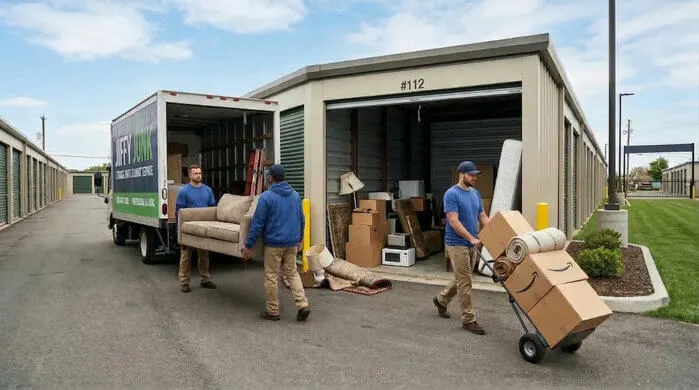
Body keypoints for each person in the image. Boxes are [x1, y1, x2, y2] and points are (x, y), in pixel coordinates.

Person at [241, 164, 310, 322]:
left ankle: (273, 311)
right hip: (292, 243)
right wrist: (300, 238)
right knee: (292, 273)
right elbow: (301, 219)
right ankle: (302, 305)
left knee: (271, 276)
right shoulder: (294, 195)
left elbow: (257, 223)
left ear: (270, 178)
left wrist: (248, 244)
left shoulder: (266, 197)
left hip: (274, 244)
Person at [432, 161, 490, 335]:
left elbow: (483, 217)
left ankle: (441, 300)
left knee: (462, 278)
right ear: (461, 174)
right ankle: (469, 320)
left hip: (471, 243)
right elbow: (453, 221)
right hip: (456, 243)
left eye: (475, 175)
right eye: (471, 175)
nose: (474, 178)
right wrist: (472, 238)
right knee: (465, 282)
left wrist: (495, 234)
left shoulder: (476, 194)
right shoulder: (452, 194)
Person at [176, 164, 218, 293]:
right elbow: (179, 212)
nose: (198, 175)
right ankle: (184, 282)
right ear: (189, 175)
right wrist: (179, 232)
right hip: (188, 229)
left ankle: (205, 279)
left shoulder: (207, 190)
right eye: (195, 173)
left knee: (204, 255)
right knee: (186, 256)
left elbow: (213, 209)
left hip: (204, 228)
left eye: (200, 173)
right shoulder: (184, 191)